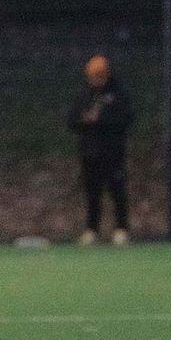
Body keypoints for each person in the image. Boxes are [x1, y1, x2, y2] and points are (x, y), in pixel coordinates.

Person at [67, 54, 134, 246]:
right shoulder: (84, 95)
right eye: (93, 77)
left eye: (100, 76)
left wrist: (101, 120)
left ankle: (121, 229)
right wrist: (84, 121)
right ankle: (92, 230)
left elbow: (126, 119)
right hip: (89, 153)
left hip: (113, 151)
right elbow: (72, 121)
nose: (96, 81)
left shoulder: (118, 94)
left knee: (117, 191)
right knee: (92, 193)